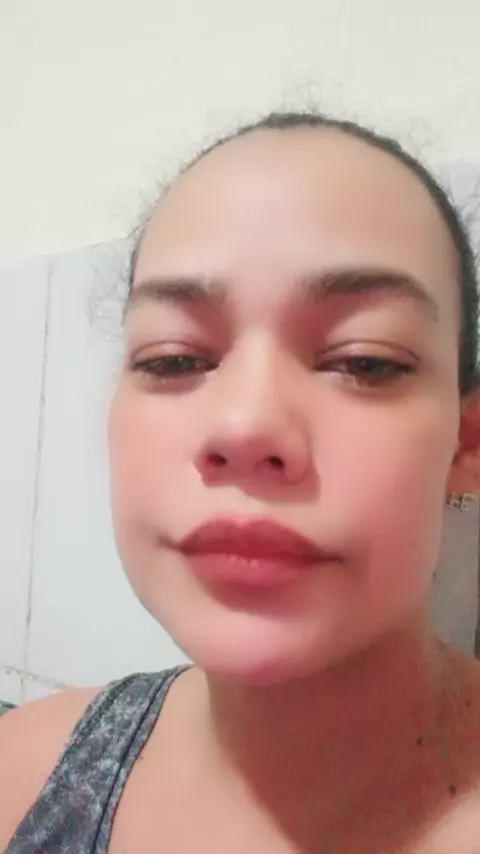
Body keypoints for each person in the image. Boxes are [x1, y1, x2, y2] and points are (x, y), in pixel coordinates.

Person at [2, 110, 480, 854]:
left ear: (466, 443)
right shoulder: (18, 775)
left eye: (366, 360)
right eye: (174, 360)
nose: (245, 425)